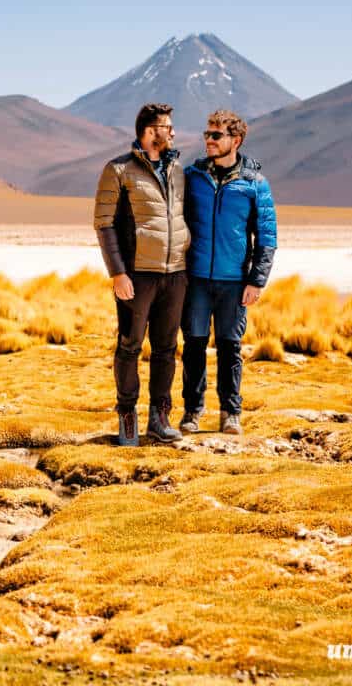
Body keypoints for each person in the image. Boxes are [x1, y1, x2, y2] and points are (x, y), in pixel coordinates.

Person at [94, 103, 190, 446]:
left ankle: (160, 418)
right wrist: (118, 273)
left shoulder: (178, 169)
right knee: (130, 345)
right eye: (168, 127)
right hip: (137, 275)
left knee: (166, 348)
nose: (174, 132)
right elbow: (104, 224)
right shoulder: (118, 170)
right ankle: (127, 417)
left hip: (175, 274)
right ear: (150, 132)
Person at [181, 109, 277, 435]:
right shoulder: (192, 177)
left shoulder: (254, 184)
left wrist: (257, 280)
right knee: (193, 345)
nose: (208, 140)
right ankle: (192, 412)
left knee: (230, 348)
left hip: (234, 282)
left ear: (235, 140)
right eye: (207, 134)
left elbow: (267, 237)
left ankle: (230, 413)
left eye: (216, 135)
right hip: (195, 279)